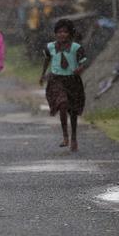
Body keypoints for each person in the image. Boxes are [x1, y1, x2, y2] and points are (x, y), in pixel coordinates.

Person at [39, 18, 87, 152]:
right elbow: (47, 60)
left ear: (70, 34)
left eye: (65, 32)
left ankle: (74, 137)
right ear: (55, 33)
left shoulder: (76, 48)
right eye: (59, 32)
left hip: (72, 81)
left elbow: (83, 62)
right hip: (56, 80)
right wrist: (42, 75)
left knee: (73, 111)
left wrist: (80, 68)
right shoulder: (50, 47)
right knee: (62, 103)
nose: (62, 34)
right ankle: (65, 135)